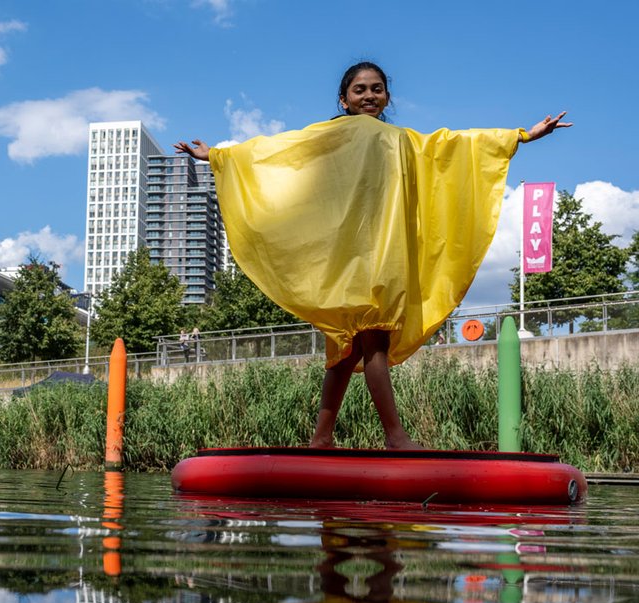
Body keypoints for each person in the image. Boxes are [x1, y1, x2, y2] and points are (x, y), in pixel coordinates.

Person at [176, 62, 570, 449]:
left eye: (376, 88)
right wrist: (217, 156)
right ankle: (395, 437)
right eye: (360, 89)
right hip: (347, 257)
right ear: (344, 99)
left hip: (384, 252)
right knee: (372, 341)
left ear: (387, 96)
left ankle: (321, 439)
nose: (368, 95)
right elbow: (278, 153)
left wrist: (521, 136)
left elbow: (454, 145)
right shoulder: (328, 135)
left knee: (345, 353)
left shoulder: (402, 141)